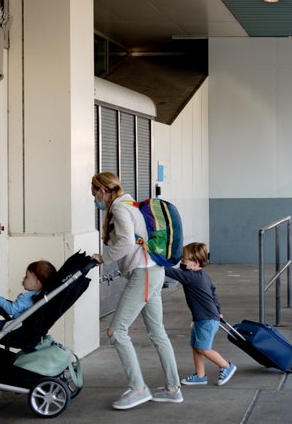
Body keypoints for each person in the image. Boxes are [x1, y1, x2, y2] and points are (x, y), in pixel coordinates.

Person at [91, 172, 182, 410]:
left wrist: (103, 258)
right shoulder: (129, 205)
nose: (94, 199)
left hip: (143, 274)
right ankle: (173, 389)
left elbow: (126, 243)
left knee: (116, 331)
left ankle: (138, 388)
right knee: (157, 332)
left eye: (94, 193)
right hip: (152, 272)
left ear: (102, 190)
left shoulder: (120, 210)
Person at [163, 242, 237, 387]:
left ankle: (226, 366)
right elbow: (213, 293)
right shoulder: (203, 275)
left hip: (207, 320)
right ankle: (200, 375)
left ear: (195, 263)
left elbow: (169, 271)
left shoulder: (190, 276)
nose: (181, 263)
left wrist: (153, 261)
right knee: (196, 346)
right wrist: (218, 311)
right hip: (203, 318)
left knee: (203, 348)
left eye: (184, 261)